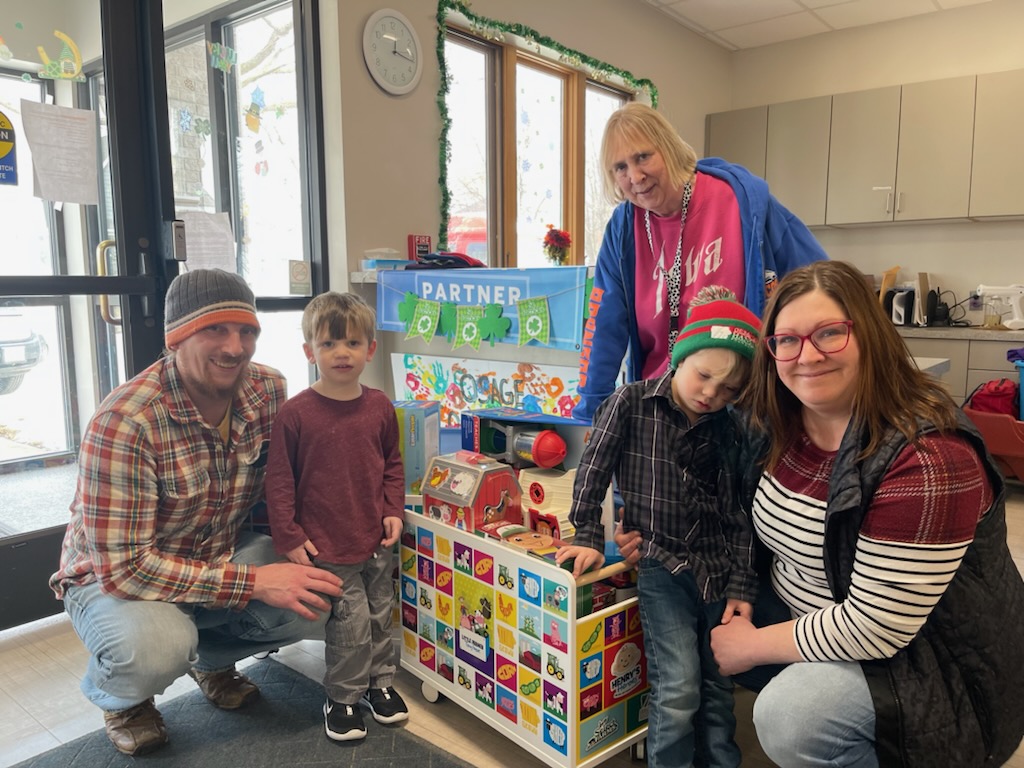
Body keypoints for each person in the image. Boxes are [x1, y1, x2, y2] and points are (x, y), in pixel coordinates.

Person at [705, 260, 1024, 767]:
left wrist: (754, 646)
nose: (806, 356)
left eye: (829, 333)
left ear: (869, 335)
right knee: (692, 599)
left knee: (791, 716)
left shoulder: (930, 456)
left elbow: (878, 625)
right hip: (815, 614)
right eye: (786, 340)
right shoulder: (784, 420)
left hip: (927, 661)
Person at [49, 268, 343, 757]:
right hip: (113, 578)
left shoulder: (267, 389)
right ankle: (126, 697)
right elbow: (126, 569)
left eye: (247, 331)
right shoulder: (126, 421)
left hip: (217, 552)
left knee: (324, 589)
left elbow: (284, 485)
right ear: (175, 337)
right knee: (156, 648)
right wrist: (256, 583)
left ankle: (210, 660)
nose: (236, 347)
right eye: (216, 330)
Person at [556, 287, 762, 768]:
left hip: (717, 571)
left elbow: (739, 513)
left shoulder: (728, 429)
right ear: (679, 357)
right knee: (679, 686)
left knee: (716, 685)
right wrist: (587, 534)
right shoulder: (629, 403)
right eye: (704, 375)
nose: (711, 393)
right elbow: (592, 471)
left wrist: (742, 582)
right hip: (661, 566)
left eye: (728, 389)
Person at [575, 101, 827, 420]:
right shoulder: (623, 229)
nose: (635, 176)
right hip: (660, 408)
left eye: (643, 157)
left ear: (668, 148)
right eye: (620, 167)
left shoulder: (741, 201)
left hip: (740, 402)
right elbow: (604, 326)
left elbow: (818, 284)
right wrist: (592, 408)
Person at [265, 291, 407, 743]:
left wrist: (393, 511)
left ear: (370, 349)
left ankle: (380, 685)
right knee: (350, 626)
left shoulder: (381, 406)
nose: (340, 353)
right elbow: (280, 480)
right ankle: (342, 696)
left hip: (376, 542)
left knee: (382, 616)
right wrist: (288, 535)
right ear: (310, 351)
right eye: (328, 344)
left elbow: (392, 464)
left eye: (350, 343)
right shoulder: (295, 414)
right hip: (327, 546)